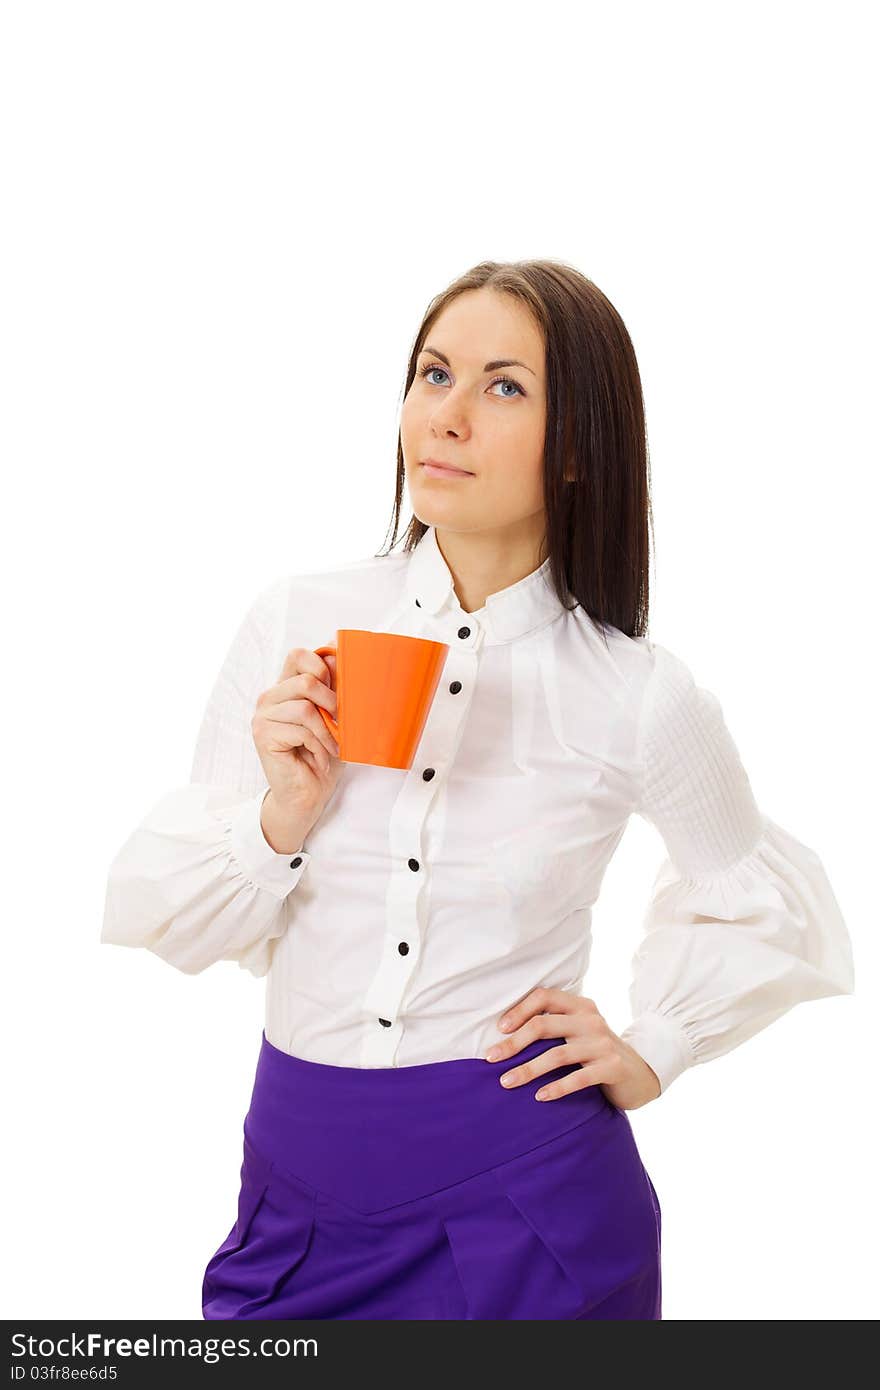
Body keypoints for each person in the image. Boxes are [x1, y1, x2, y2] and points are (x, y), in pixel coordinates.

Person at [100, 259, 855, 1321]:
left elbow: (759, 898)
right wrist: (282, 816)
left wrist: (656, 1045)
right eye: (432, 374)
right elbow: (165, 919)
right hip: (295, 1192)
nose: (445, 417)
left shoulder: (637, 692)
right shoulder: (296, 619)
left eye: (503, 387)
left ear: (582, 445)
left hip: (532, 1207)